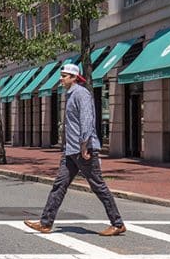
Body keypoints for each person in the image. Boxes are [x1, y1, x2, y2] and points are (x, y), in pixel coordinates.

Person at [24, 63, 126, 236]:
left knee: (98, 186)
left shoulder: (81, 94)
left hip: (83, 150)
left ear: (73, 78)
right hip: (71, 151)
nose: (61, 78)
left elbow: (87, 120)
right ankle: (45, 223)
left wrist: (85, 145)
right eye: (61, 75)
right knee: (59, 185)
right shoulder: (70, 95)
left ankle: (117, 223)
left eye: (64, 76)